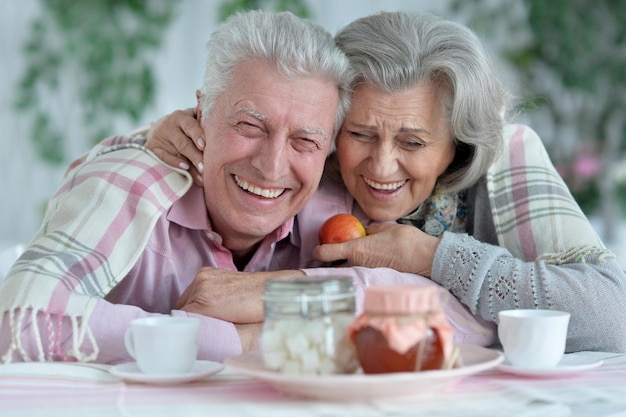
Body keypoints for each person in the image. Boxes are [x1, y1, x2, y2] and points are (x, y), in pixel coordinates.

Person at [0, 10, 493, 365]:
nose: (272, 165)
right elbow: (17, 316)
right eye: (250, 126)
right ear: (202, 110)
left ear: (327, 151)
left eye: (305, 139)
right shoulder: (130, 181)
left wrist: (279, 304)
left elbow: (471, 322)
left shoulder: (338, 206)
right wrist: (220, 342)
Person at [146, 12, 626, 353]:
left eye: (413, 143)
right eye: (360, 134)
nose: (381, 166)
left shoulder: (507, 154)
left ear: (456, 144)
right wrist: (157, 136)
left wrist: (430, 257)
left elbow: (614, 316)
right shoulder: (310, 160)